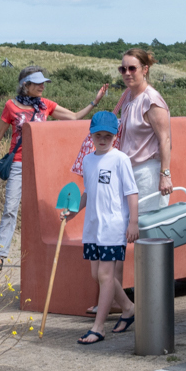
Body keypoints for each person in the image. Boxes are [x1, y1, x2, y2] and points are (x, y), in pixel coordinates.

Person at [0, 66, 108, 273]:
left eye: (43, 83)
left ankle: (40, 253)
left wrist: (94, 101)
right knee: (10, 209)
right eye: (37, 83)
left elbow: (73, 117)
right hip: (18, 163)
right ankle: (0, 256)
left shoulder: (45, 105)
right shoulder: (10, 106)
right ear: (25, 85)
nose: (42, 87)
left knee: (41, 210)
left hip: (40, 164)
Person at [73, 110, 138, 345]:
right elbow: (88, 192)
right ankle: (129, 308)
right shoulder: (89, 161)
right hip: (92, 227)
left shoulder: (120, 159)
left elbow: (131, 192)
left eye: (107, 136)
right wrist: (72, 212)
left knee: (105, 275)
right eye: (98, 135)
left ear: (115, 135)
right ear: (91, 135)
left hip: (113, 226)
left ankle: (98, 328)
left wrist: (133, 222)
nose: (102, 139)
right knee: (98, 275)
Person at [112, 48, 173, 217]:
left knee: (148, 231)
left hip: (147, 174)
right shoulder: (128, 97)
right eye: (122, 69)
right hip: (129, 173)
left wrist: (165, 174)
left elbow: (165, 140)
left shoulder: (151, 100)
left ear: (145, 69)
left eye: (132, 68)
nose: (127, 73)